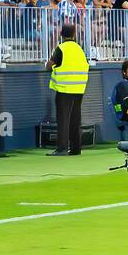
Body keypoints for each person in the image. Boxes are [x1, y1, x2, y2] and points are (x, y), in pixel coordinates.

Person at [46, 22, 89, 156]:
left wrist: (48, 66)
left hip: (65, 89)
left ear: (61, 34)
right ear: (74, 34)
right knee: (76, 119)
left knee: (63, 119)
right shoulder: (79, 48)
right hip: (79, 88)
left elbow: (50, 65)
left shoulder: (61, 48)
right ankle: (76, 149)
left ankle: (62, 148)